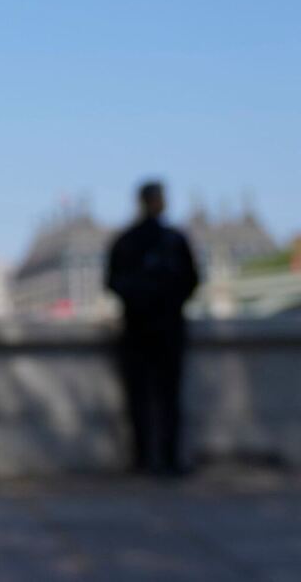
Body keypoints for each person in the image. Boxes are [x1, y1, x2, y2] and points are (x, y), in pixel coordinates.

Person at [105, 181, 199, 476]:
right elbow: (192, 280)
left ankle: (144, 458)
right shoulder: (173, 239)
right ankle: (167, 458)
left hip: (138, 327)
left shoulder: (126, 240)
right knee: (166, 396)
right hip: (167, 328)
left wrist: (140, 301)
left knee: (141, 397)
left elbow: (113, 282)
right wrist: (167, 301)